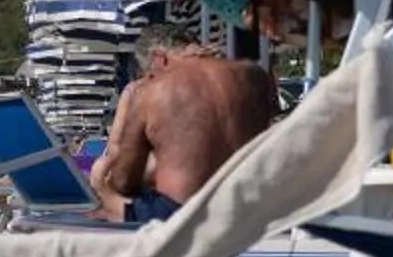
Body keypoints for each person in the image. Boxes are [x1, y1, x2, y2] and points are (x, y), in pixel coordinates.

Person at [92, 27, 281, 224]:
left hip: (180, 215)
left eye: (148, 73)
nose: (148, 79)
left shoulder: (152, 91)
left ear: (159, 58)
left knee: (102, 185)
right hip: (246, 208)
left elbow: (124, 182)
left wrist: (106, 186)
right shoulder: (252, 75)